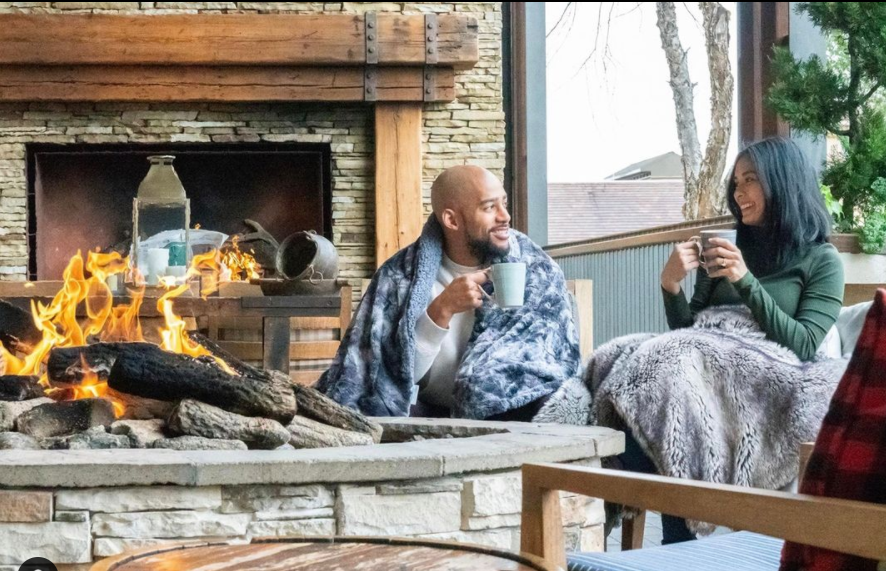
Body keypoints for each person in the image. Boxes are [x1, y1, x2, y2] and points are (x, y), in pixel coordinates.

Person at [623, 137, 845, 544]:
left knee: (665, 381)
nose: (739, 193)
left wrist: (745, 281)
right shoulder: (726, 247)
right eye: (736, 183)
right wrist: (670, 284)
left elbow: (804, 344)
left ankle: (678, 541)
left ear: (783, 183)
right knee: (631, 368)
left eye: (750, 180)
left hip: (766, 385)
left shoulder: (822, 261)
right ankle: (678, 538)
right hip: (704, 375)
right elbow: (687, 336)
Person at [316, 165, 581, 420]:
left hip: (508, 415)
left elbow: (552, 367)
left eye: (504, 203)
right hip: (427, 413)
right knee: (377, 414)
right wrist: (440, 311)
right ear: (451, 220)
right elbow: (391, 382)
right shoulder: (398, 277)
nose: (505, 217)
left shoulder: (536, 268)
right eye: (489, 207)